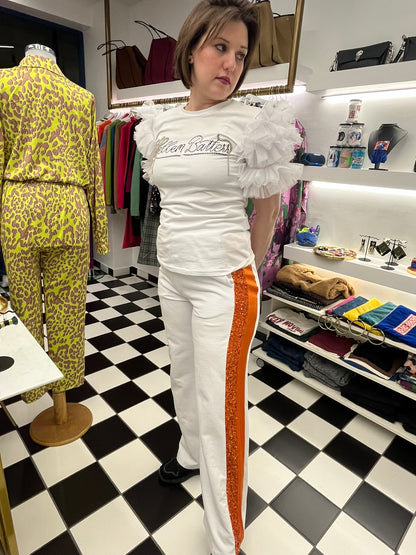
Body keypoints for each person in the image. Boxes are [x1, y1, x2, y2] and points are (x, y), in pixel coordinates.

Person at [134, 1, 302, 553]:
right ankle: (188, 454)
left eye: (241, 54)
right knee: (184, 379)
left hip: (222, 283)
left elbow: (268, 210)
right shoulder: (161, 124)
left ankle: (225, 539)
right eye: (220, 47)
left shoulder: (253, 123)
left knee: (221, 408)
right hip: (173, 275)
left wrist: (244, 269)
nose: (231, 64)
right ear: (191, 50)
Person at [0, 44, 109, 404]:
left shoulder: (3, 83)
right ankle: (65, 382)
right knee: (68, 308)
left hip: (20, 209)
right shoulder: (82, 97)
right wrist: (101, 233)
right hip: (70, 209)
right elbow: (93, 167)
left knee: (25, 306)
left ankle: (33, 386)